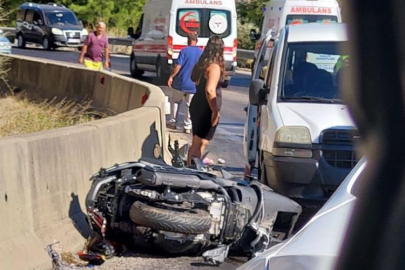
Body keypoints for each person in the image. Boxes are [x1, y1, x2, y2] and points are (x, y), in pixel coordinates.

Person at [187, 36, 224, 166]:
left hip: (197, 103)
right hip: (206, 108)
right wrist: (215, 111)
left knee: (198, 141)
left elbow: (195, 81)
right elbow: (210, 90)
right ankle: (192, 168)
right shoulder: (214, 67)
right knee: (199, 142)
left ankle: (192, 165)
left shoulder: (202, 64)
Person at [167, 32, 202, 134]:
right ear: (196, 40)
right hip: (193, 84)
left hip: (181, 83)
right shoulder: (201, 53)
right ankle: (187, 126)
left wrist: (171, 77)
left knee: (175, 101)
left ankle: (173, 122)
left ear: (188, 40)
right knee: (189, 106)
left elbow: (178, 67)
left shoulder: (184, 51)